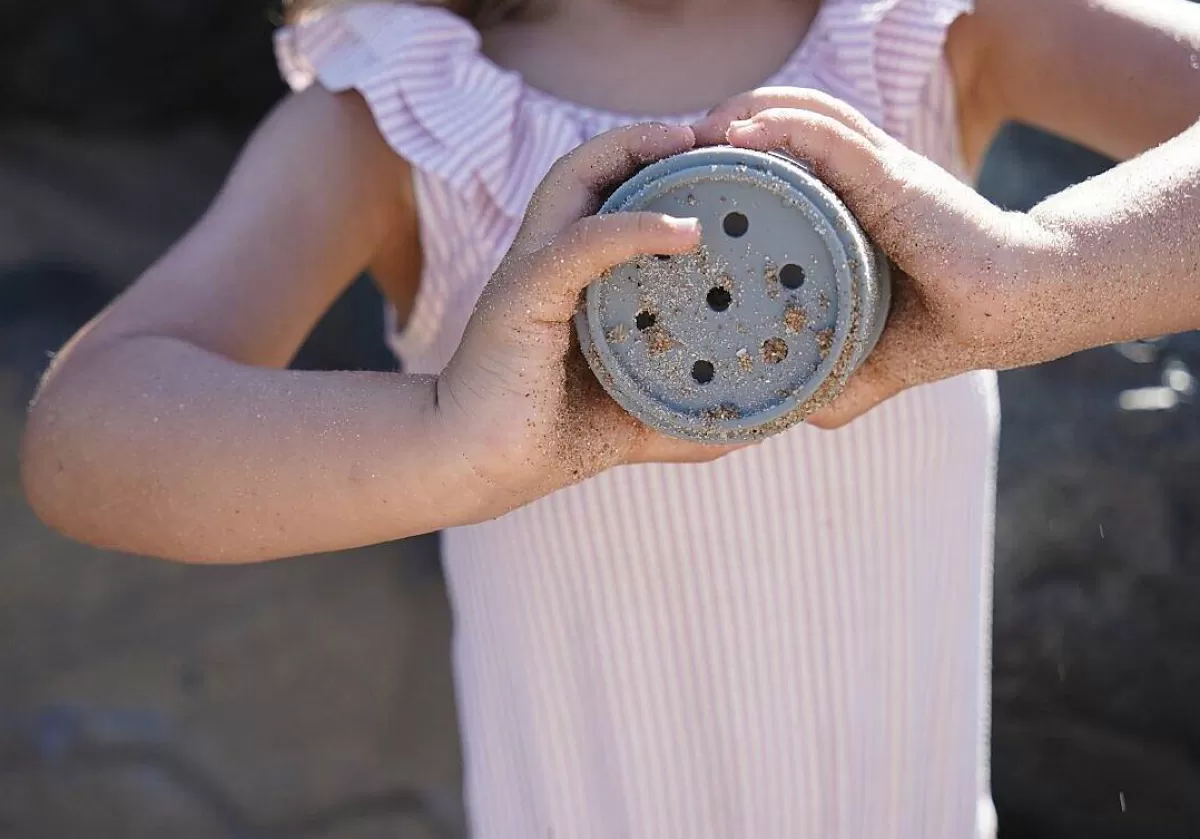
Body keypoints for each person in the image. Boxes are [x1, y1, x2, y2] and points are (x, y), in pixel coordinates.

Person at [18, 0, 1200, 836]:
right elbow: (85, 442)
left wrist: (1043, 273)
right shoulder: (405, 109)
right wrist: (448, 435)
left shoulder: (923, 25)